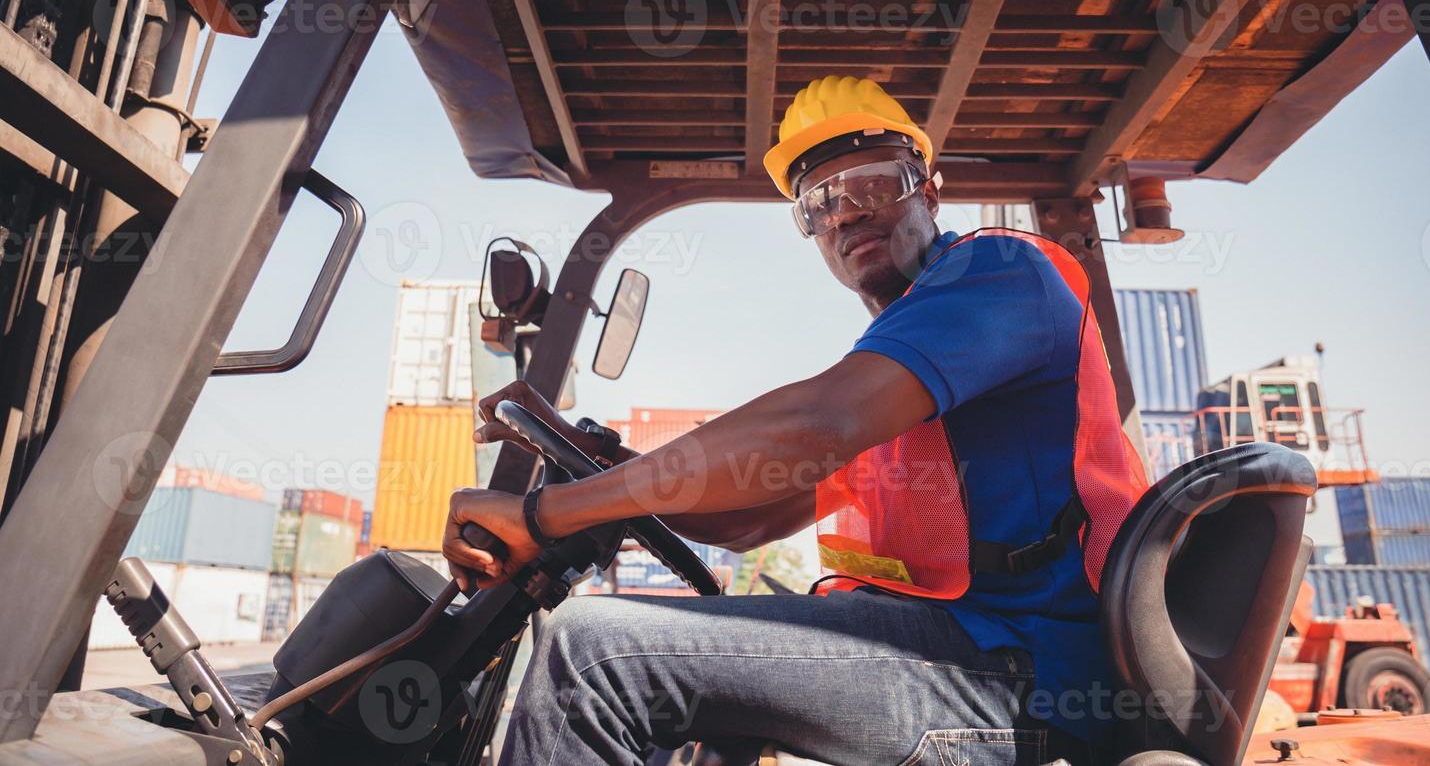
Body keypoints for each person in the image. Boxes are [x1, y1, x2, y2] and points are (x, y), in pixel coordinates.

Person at [444, 76, 1149, 765]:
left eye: (873, 184)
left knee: (593, 656)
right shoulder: (900, 378)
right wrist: (607, 468)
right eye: (820, 203)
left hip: (1020, 679)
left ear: (928, 190)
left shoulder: (997, 275)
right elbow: (747, 520)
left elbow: (816, 425)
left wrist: (546, 514)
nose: (844, 214)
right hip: (952, 653)